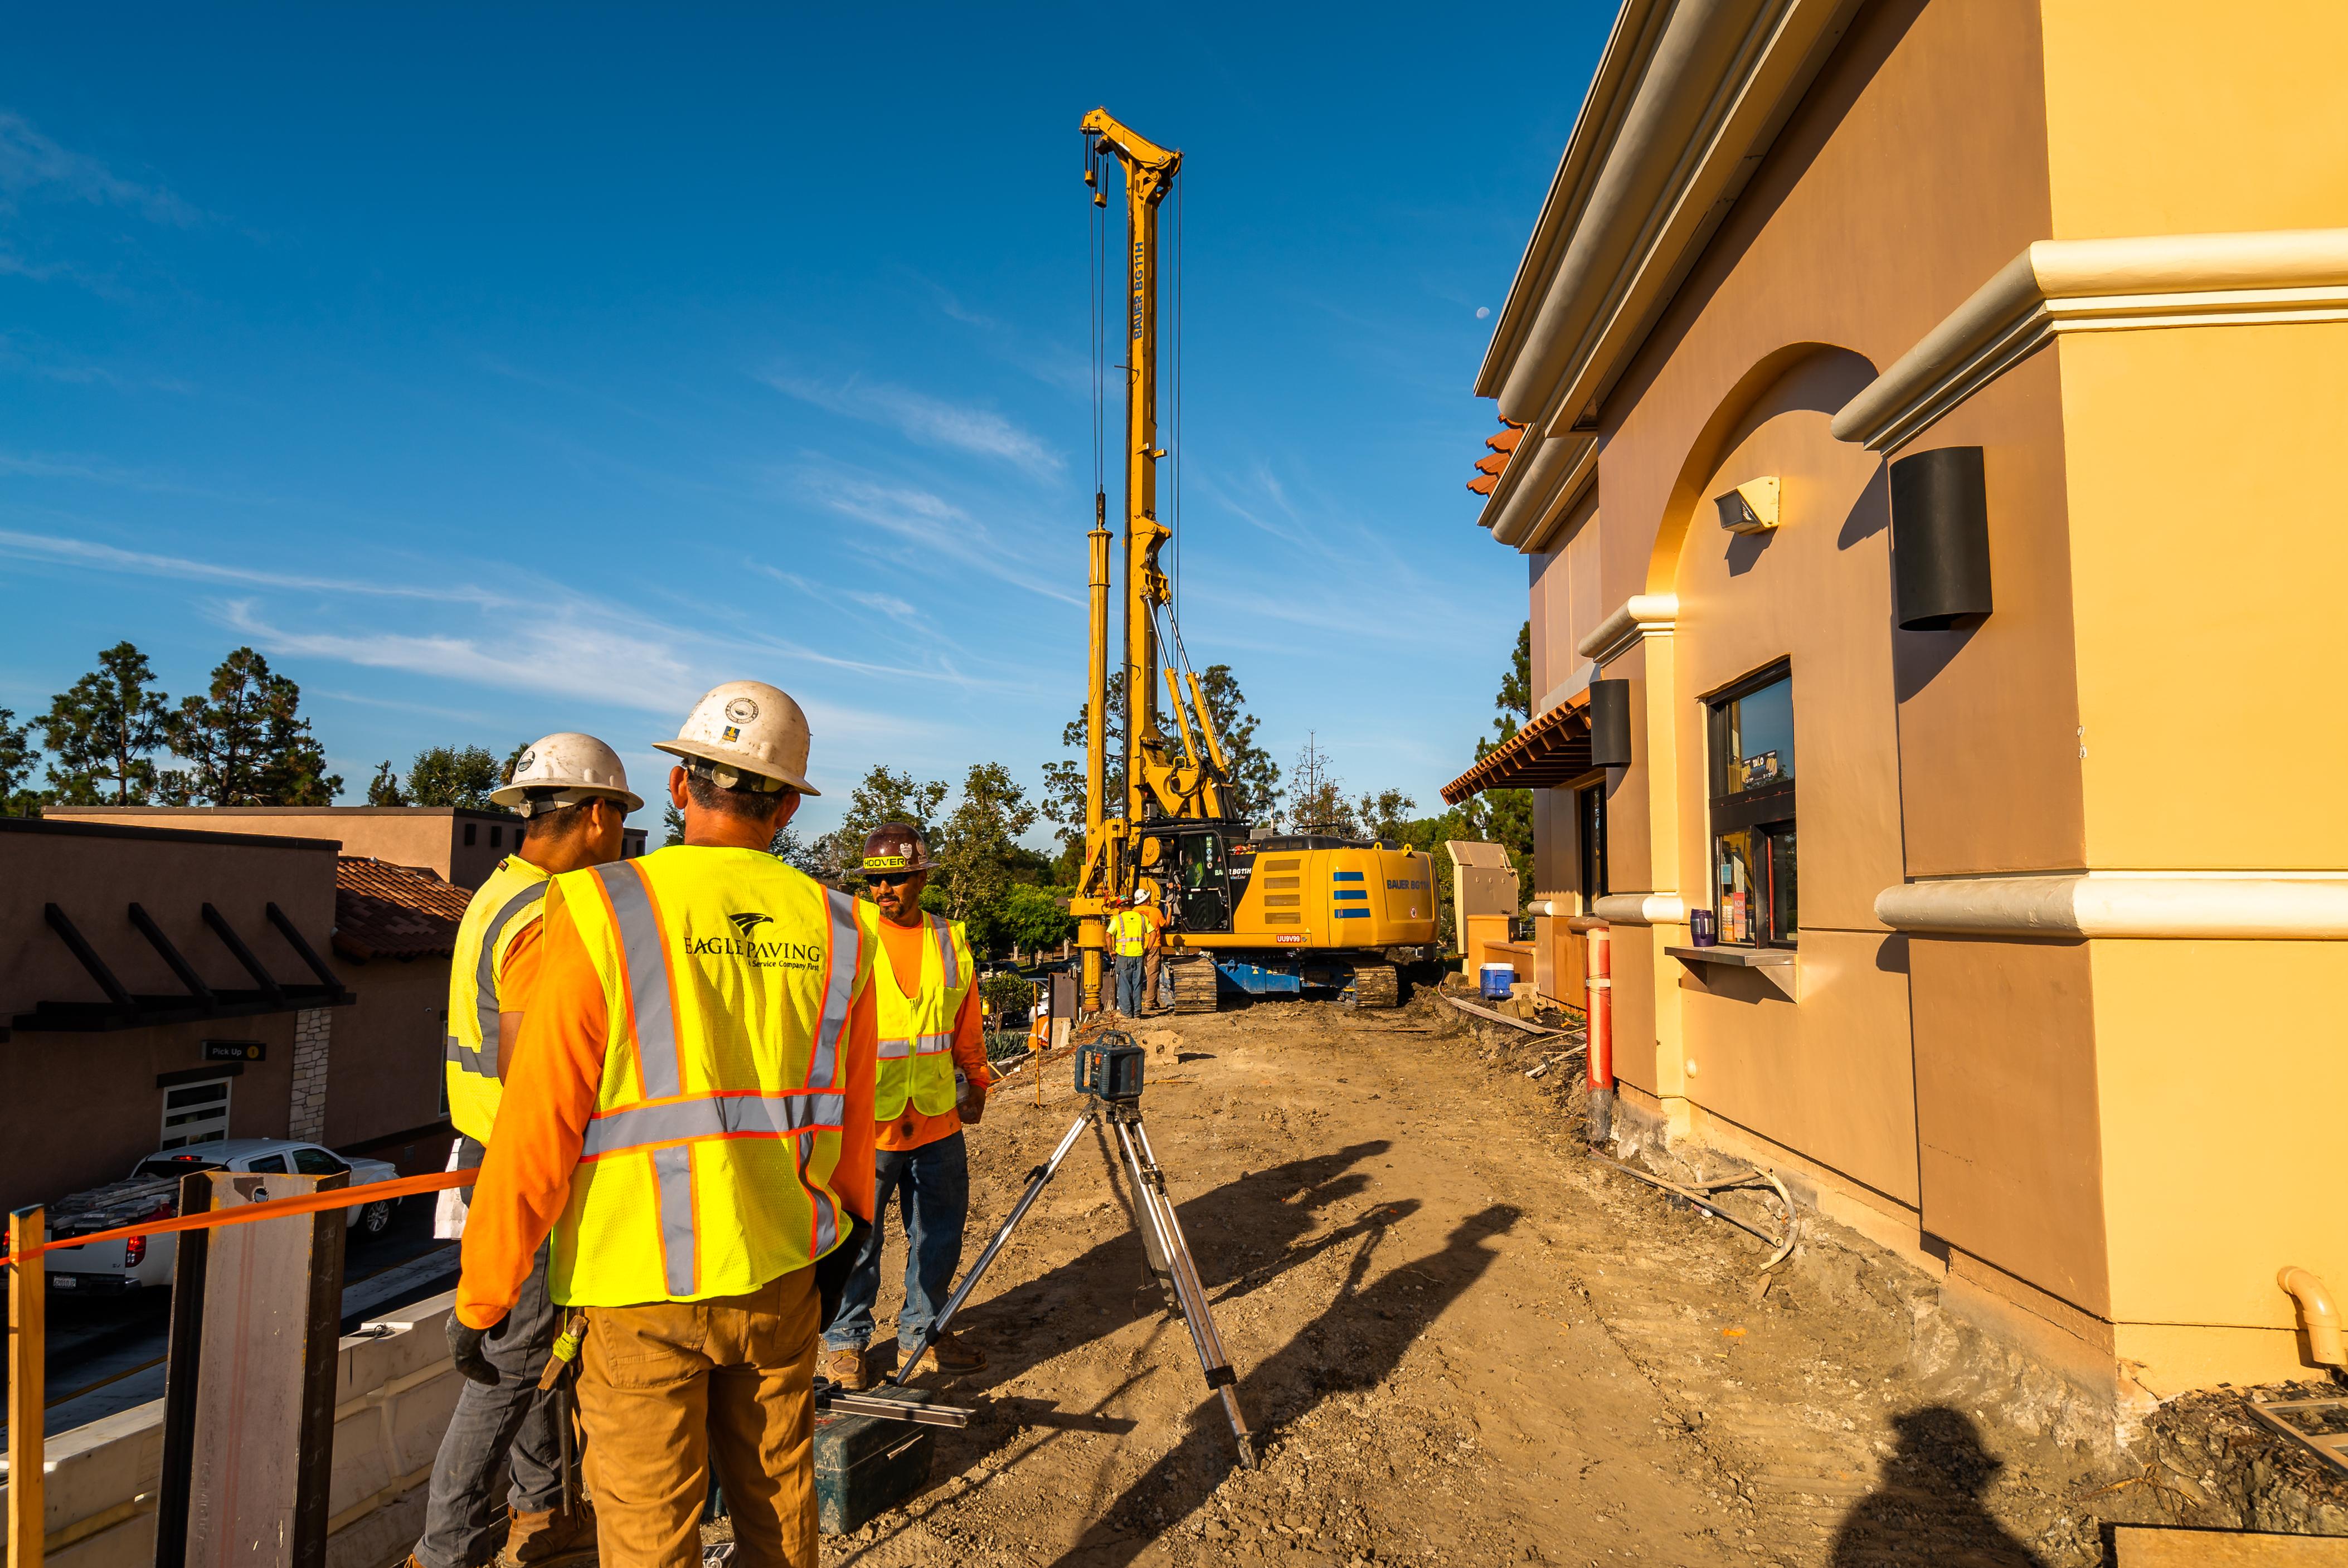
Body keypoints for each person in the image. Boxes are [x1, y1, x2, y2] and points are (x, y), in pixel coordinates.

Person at [450, 682, 879, 1568]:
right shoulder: (844, 928)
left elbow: (538, 1127)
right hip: (781, 1274)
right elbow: (853, 1127)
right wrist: (835, 1262)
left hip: (635, 1286)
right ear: (791, 803)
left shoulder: (602, 908)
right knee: (780, 1513)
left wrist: (485, 1290)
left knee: (649, 1535)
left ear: (681, 787)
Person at [409, 733, 641, 1568]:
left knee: (530, 1350)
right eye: (618, 818)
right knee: (510, 1367)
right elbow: (536, 1072)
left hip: (481, 1147)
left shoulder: (493, 892)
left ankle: (542, 1508)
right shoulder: (550, 913)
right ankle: (447, 1550)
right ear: (593, 814)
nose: (620, 839)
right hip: (525, 1156)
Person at [819, 824, 993, 1389]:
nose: (883, 890)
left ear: (920, 878)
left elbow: (965, 1020)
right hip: (870, 1120)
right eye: (875, 881)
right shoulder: (848, 936)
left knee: (939, 1234)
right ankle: (845, 1343)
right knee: (858, 1240)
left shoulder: (948, 938)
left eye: (894, 879)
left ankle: (924, 1333)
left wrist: (978, 1080)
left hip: (938, 1114)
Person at [1109, 892, 1150, 1017]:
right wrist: (1147, 949)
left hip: (1123, 956)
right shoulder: (1142, 918)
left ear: (1119, 907)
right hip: (1138, 956)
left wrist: (1111, 950)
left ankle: (1127, 1013)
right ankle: (1137, 1012)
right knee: (1137, 984)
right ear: (1131, 905)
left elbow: (1108, 935)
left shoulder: (1118, 919)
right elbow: (1153, 933)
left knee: (1125, 984)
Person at [1134, 878, 1168, 1015]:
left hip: (1137, 946)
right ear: (1148, 899)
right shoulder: (1155, 911)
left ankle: (1148, 1000)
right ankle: (1149, 1002)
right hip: (1153, 946)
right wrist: (1169, 909)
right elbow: (1166, 925)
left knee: (1136, 974)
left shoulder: (1133, 912)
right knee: (1153, 974)